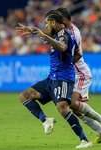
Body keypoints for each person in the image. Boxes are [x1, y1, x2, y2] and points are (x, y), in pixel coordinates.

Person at [17, 10, 93, 148]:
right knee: (25, 96)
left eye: (46, 23)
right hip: (52, 78)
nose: (45, 26)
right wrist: (34, 31)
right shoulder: (59, 34)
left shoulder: (64, 34)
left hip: (63, 79)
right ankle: (46, 120)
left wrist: (66, 65)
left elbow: (63, 47)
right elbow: (78, 53)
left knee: (63, 108)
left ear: (53, 22)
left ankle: (85, 140)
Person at [56, 7, 101, 144]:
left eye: (56, 20)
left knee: (72, 103)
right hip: (73, 74)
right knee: (75, 108)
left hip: (80, 73)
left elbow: (74, 56)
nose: (54, 23)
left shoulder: (72, 34)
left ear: (64, 20)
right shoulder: (66, 31)